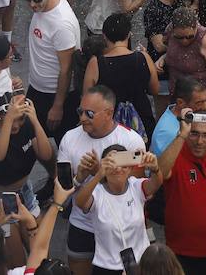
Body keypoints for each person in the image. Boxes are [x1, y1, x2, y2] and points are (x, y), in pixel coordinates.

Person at [58, 85, 147, 275]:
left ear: (108, 113)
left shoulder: (131, 142)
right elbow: (60, 191)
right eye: (80, 111)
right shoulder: (69, 138)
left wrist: (99, 171)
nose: (82, 118)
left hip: (119, 229)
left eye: (89, 113)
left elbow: (135, 189)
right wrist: (79, 177)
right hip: (82, 224)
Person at [158, 104, 206, 275]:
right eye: (194, 134)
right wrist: (181, 135)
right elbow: (159, 174)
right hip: (183, 253)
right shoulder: (175, 157)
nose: (199, 141)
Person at [72, 145, 161, 275]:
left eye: (123, 165)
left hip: (140, 262)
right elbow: (80, 202)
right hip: (106, 267)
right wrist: (99, 174)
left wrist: (156, 169)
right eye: (111, 164)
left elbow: (156, 184)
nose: (118, 169)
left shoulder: (136, 186)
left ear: (130, 168)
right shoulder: (96, 193)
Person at [23, 0, 81, 134]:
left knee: (63, 144)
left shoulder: (61, 25)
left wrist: (57, 106)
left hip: (54, 94)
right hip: (36, 88)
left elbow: (66, 69)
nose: (32, 5)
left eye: (37, 0)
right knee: (30, 139)